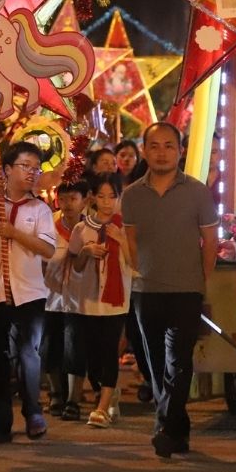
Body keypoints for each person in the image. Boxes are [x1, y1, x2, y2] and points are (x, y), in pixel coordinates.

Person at [122, 121, 220, 458]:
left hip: (186, 289)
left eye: (169, 146)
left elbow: (210, 241)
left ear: (180, 151)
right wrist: (139, 274)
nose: (162, 152)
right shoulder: (132, 194)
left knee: (178, 360)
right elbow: (130, 241)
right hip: (145, 290)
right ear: (144, 151)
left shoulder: (197, 191)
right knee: (154, 363)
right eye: (154, 146)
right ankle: (178, 430)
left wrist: (200, 280)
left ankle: (164, 427)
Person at [0, 141, 56, 443]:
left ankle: (34, 412)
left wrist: (15, 234)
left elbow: (48, 249)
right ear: (6, 169)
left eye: (36, 168)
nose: (32, 172)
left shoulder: (40, 209)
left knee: (29, 355)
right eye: (25, 166)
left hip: (29, 294)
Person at [67, 172, 132, 428]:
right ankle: (106, 394)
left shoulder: (126, 226)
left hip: (116, 302)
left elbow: (136, 263)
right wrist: (86, 252)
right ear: (92, 197)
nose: (107, 203)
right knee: (92, 356)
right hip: (88, 300)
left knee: (108, 352)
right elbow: (75, 266)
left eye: (112, 197)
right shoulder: (82, 229)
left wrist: (121, 239)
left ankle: (102, 408)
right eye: (102, 197)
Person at [45, 180, 88, 418]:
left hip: (80, 298)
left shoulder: (91, 228)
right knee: (50, 346)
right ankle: (55, 394)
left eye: (73, 199)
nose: (67, 204)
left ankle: (73, 399)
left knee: (75, 346)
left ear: (84, 201)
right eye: (62, 199)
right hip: (50, 297)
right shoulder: (49, 225)